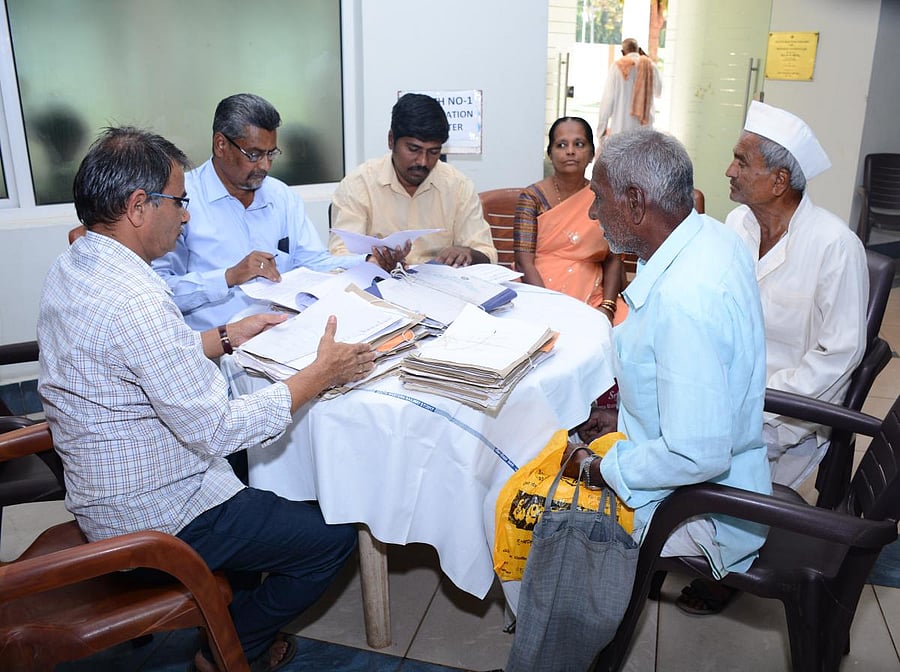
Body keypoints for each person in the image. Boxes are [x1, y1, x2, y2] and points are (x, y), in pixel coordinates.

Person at [37, 127, 376, 672]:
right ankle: (229, 646)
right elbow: (216, 429)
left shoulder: (79, 263)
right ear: (139, 206)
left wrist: (225, 337)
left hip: (110, 485)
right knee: (330, 539)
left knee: (256, 477)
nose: (187, 216)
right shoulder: (137, 297)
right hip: (155, 516)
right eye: (180, 201)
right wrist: (318, 374)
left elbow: (140, 358)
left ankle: (231, 599)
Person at [563, 129, 771, 601]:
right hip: (724, 469)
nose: (594, 213)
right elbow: (699, 382)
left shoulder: (684, 300)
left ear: (635, 202)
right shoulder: (714, 237)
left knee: (542, 514)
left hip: (707, 508)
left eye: (598, 198)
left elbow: (695, 454)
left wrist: (600, 470)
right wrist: (624, 415)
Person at [724, 101, 868, 489]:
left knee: (684, 460)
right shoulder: (737, 224)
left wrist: (760, 403)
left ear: (779, 181)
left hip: (784, 416)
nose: (729, 171)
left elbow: (838, 355)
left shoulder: (835, 246)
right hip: (728, 392)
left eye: (741, 162)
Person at [153, 93, 373, 332]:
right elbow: (161, 291)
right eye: (254, 155)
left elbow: (312, 261)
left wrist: (368, 261)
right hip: (217, 347)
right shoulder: (180, 201)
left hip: (283, 333)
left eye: (271, 154)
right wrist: (228, 276)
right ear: (221, 144)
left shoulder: (281, 196)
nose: (265, 166)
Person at [328, 93, 498, 268]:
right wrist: (374, 261)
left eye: (433, 152)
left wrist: (468, 253)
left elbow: (487, 254)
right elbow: (340, 256)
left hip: (439, 289)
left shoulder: (458, 186)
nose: (423, 161)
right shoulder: (358, 185)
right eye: (413, 149)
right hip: (378, 287)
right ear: (391, 140)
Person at [513, 116, 624, 323]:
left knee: (627, 332)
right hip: (539, 293)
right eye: (561, 145)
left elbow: (613, 258)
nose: (570, 151)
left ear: (592, 153)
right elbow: (523, 262)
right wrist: (549, 307)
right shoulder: (532, 197)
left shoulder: (605, 198)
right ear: (550, 154)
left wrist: (608, 307)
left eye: (579, 144)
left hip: (594, 296)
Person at [596, 38, 662, 140]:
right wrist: (648, 59)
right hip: (645, 130)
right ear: (639, 49)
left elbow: (608, 100)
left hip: (621, 128)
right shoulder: (650, 66)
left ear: (623, 52)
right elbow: (658, 92)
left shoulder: (617, 66)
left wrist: (601, 131)